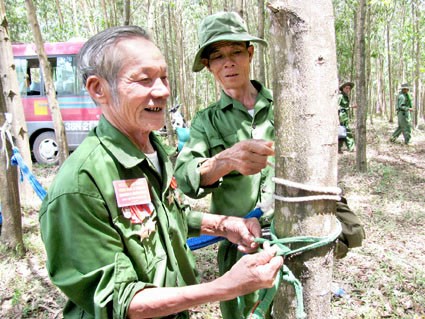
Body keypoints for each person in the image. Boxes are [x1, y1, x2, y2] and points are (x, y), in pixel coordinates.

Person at [38, 25, 284, 319]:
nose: (163, 91)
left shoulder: (150, 150)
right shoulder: (80, 184)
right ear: (98, 89)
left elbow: (166, 218)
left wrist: (223, 224)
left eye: (164, 78)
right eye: (144, 80)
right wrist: (225, 287)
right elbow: (122, 302)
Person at [175, 11, 365, 319]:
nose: (228, 62)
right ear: (208, 66)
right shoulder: (205, 121)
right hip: (241, 248)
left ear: (250, 53)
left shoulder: (289, 108)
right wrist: (225, 160)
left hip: (295, 239)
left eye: (236, 52)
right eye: (218, 56)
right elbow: (186, 178)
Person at [338, 81, 356, 153]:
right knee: (347, 132)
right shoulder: (340, 96)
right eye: (346, 88)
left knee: (342, 133)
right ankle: (351, 148)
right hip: (341, 117)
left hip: (345, 117)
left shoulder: (345, 96)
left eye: (349, 88)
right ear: (343, 88)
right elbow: (337, 106)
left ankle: (338, 149)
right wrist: (350, 107)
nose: (348, 90)